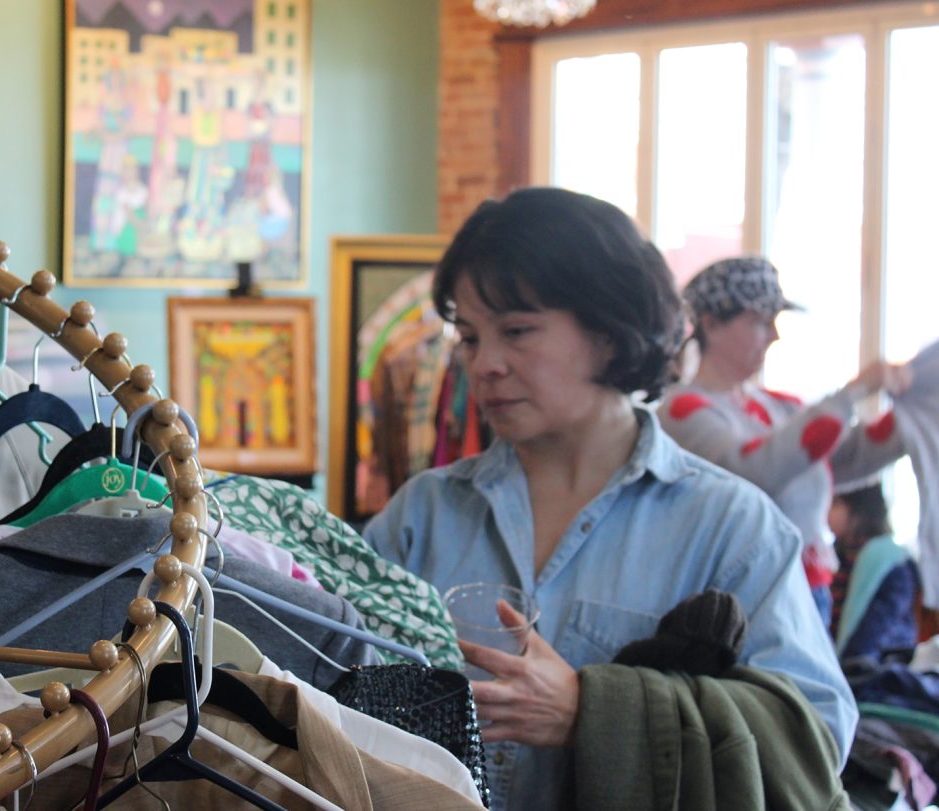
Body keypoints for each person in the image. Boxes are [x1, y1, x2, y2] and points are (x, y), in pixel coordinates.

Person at [362, 188, 856, 810]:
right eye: (467, 335)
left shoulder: (730, 529)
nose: (483, 364)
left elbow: (818, 741)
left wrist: (593, 714)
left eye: (516, 331)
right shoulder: (424, 513)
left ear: (610, 333)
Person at [657, 256, 911, 625]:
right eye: (760, 322)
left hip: (806, 590)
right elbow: (753, 470)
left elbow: (844, 459)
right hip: (749, 599)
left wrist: (912, 422)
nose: (774, 335)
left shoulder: (779, 407)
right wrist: (849, 396)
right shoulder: (683, 409)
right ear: (711, 324)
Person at [829, 481, 920, 661]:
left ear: (858, 510)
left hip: (880, 664)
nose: (826, 512)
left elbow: (880, 623)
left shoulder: (893, 561)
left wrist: (849, 665)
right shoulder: (835, 556)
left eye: (835, 504)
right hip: (836, 662)